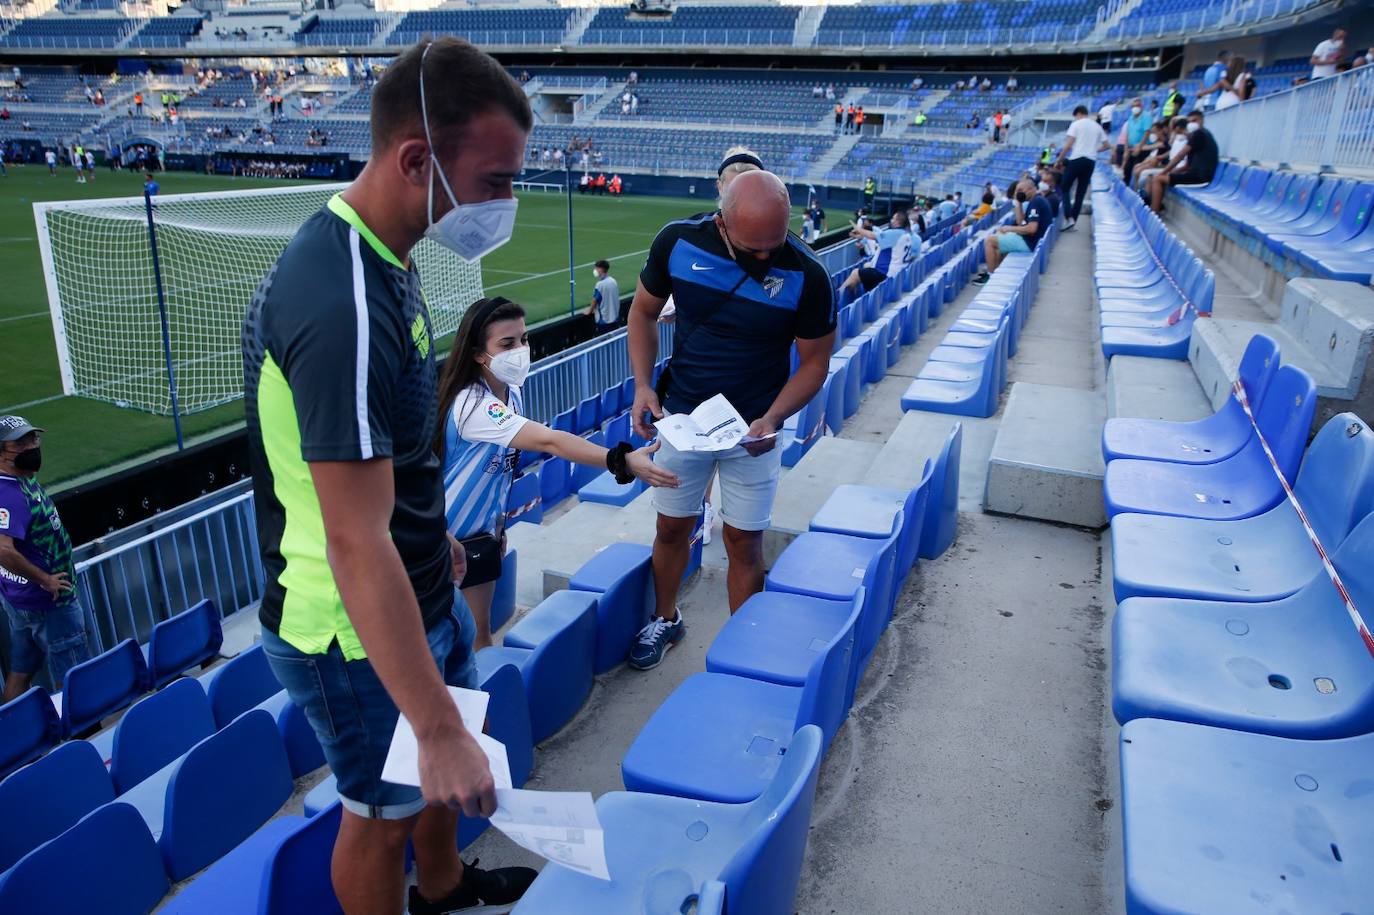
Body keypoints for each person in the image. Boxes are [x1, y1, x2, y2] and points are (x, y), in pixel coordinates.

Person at [240, 38, 539, 914]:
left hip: (418, 585)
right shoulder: (339, 299)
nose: (505, 203)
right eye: (494, 181)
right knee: (379, 815)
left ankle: (443, 890)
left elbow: (387, 458)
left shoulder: (387, 257)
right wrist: (435, 725)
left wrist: (431, 528)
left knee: (438, 783)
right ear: (418, 160)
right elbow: (349, 533)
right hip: (348, 625)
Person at [625, 169, 836, 671]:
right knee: (672, 527)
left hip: (754, 430)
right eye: (752, 249)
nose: (766, 257)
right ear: (721, 224)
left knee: (744, 541)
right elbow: (641, 313)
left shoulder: (808, 274)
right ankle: (665, 618)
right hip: (682, 419)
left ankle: (744, 649)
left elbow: (814, 364)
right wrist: (642, 385)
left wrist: (775, 416)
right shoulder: (677, 242)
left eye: (775, 245)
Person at [438, 298, 674, 651]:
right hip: (441, 543)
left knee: (480, 636)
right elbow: (551, 441)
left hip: (478, 539)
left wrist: (498, 526)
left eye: (524, 339)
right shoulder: (472, 405)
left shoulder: (510, 394)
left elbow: (501, 472)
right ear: (477, 354)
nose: (520, 350)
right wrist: (621, 460)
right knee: (442, 645)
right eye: (507, 344)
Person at [0, 416, 90, 704]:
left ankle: (10, 734)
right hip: (50, 604)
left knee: (20, 670)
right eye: (21, 442)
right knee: (76, 677)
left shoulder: (20, 479)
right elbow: (3, 549)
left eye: (33, 439)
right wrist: (45, 579)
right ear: (2, 453)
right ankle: (83, 739)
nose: (32, 446)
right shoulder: (9, 494)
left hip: (22, 602)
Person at [974, 176, 1053, 285]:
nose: (1017, 193)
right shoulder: (1036, 200)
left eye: (1020, 190)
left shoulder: (1035, 202)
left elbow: (1031, 229)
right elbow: (1021, 222)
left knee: (989, 241)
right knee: (998, 237)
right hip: (1032, 240)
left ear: (1031, 189)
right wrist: (1019, 203)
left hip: (1030, 243)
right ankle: (996, 272)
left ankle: (991, 277)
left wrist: (1010, 228)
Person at [1149, 109, 1219, 214]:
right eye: (1190, 121)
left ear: (1202, 120)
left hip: (1200, 177)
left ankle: (1154, 212)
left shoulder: (1199, 133)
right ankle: (1156, 206)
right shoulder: (1201, 135)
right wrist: (1171, 172)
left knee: (1157, 179)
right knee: (1156, 177)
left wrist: (1164, 172)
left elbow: (1180, 156)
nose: (1192, 124)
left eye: (1195, 120)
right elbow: (1187, 165)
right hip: (1195, 174)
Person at [1054, 104, 1109, 230]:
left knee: (1065, 187)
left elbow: (1068, 145)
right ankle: (1073, 220)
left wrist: (1059, 159)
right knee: (1081, 192)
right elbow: (1106, 145)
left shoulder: (1076, 124)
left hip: (1077, 159)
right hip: (1090, 161)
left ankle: (1068, 217)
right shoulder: (1097, 126)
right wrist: (1094, 150)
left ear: (1078, 113)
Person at [842, 209, 912, 295]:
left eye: (893, 218)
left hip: (885, 273)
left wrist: (858, 229)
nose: (891, 220)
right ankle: (855, 300)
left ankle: (837, 298)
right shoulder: (906, 235)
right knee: (865, 268)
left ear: (898, 221)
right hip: (895, 273)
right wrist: (861, 235)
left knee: (855, 273)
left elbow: (872, 236)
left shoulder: (895, 233)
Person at [587, 259, 620, 329]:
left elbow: (594, 300)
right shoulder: (613, 281)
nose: (595, 270)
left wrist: (589, 311)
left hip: (603, 321)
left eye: (596, 268)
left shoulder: (599, 285)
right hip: (615, 319)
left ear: (601, 269)